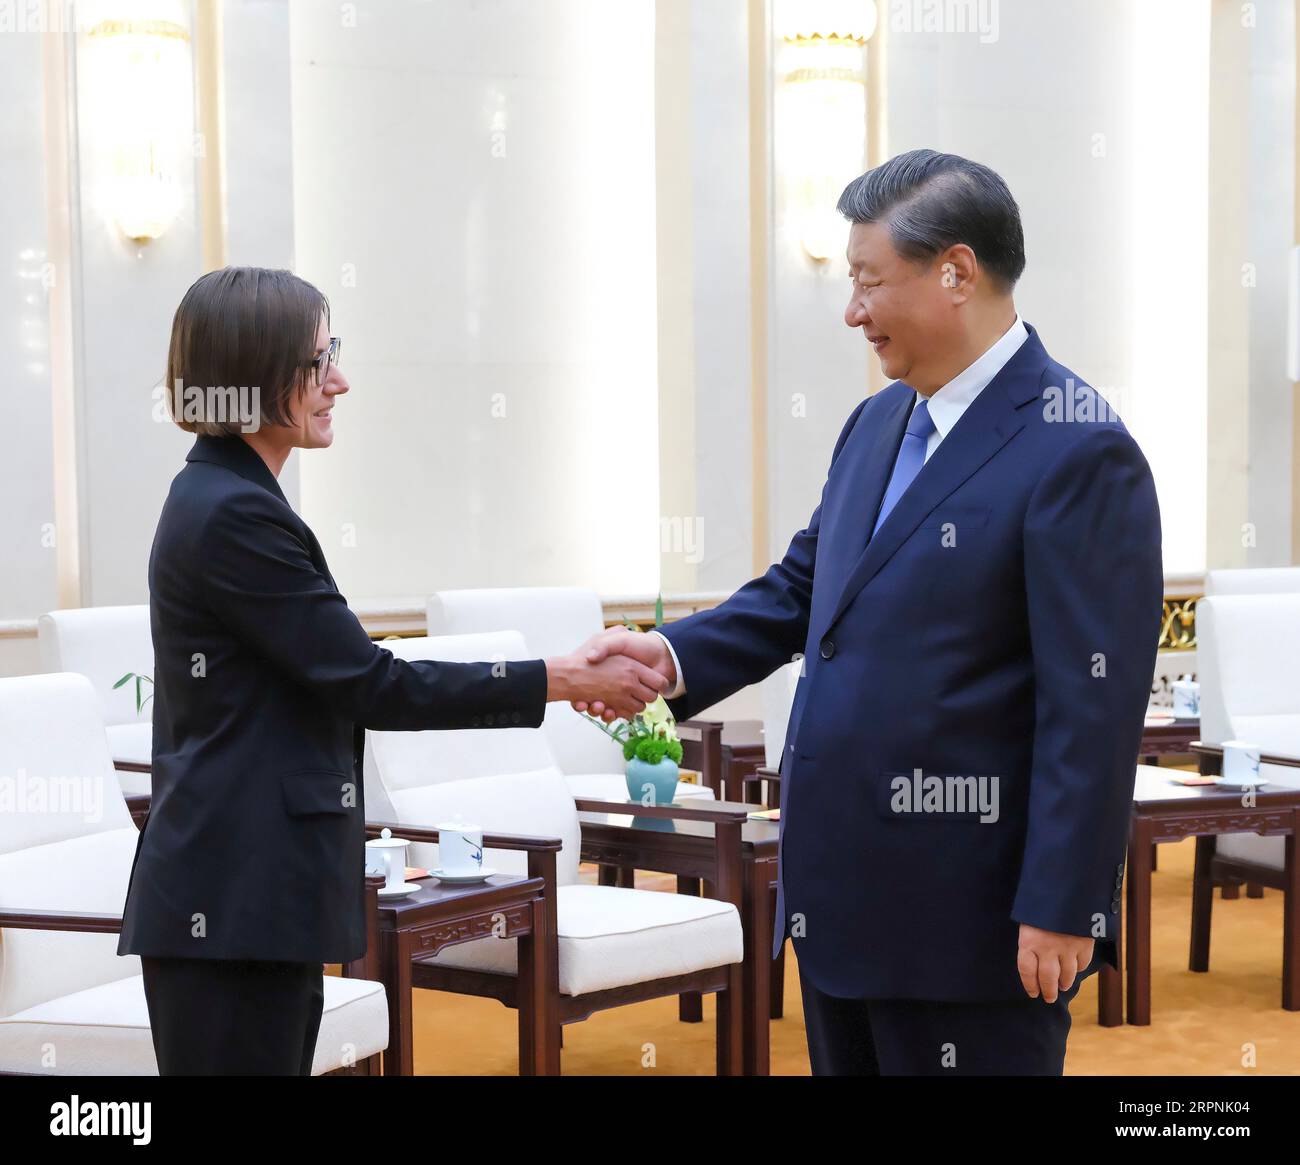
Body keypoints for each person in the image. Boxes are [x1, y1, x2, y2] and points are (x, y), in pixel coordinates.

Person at [578, 150, 1163, 1075]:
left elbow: (1091, 710)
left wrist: (1064, 900)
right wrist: (665, 658)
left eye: (868, 283)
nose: (853, 312)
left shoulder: (1078, 446)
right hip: (841, 907)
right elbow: (803, 590)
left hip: (972, 925)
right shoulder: (878, 424)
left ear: (956, 273)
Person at [117, 267, 667, 1075]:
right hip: (232, 898)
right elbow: (371, 682)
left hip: (246, 893)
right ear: (254, 376)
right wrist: (562, 675)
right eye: (316, 362)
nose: (338, 380)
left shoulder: (228, 495)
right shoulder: (232, 512)